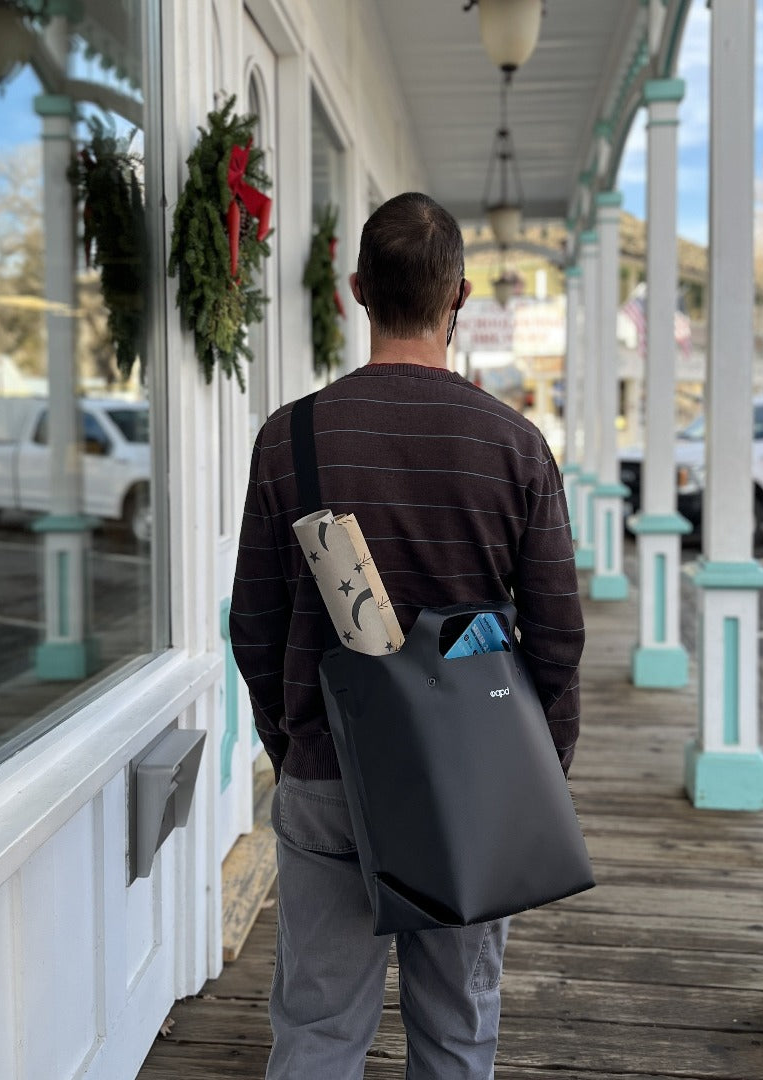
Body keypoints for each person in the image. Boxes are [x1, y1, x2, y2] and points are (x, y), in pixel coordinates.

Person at [229, 191, 584, 1079]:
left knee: (316, 1033)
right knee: (458, 1032)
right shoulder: (515, 445)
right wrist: (534, 774)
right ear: (458, 295)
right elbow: (558, 639)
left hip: (329, 770)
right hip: (474, 782)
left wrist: (298, 746)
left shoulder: (288, 438)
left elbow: (254, 627)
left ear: (357, 290)